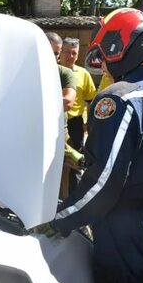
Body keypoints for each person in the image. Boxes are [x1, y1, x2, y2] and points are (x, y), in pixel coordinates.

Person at [47, 8, 143, 283]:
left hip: (126, 229)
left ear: (118, 46)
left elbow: (105, 182)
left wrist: (61, 220)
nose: (105, 63)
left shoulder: (119, 98)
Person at [58, 36, 97, 191]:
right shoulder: (52, 71)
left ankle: (74, 197)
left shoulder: (83, 74)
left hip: (76, 123)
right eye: (67, 52)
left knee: (76, 163)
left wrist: (88, 123)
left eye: (74, 53)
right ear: (60, 52)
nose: (70, 56)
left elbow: (90, 100)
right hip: (56, 120)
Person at [45, 32, 77, 112]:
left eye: (56, 53)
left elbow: (67, 103)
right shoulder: (26, 71)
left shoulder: (65, 73)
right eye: (48, 51)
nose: (52, 57)